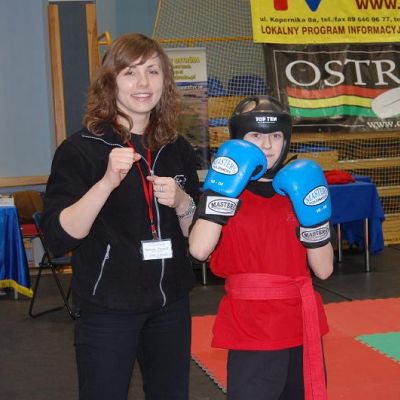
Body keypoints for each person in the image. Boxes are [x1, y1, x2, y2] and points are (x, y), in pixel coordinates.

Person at [41, 33, 200, 400]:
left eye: (153, 71)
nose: (143, 83)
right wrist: (105, 184)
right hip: (108, 307)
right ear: (110, 82)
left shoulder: (177, 148)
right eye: (130, 72)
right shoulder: (81, 149)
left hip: (170, 303)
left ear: (165, 81)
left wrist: (182, 203)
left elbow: (196, 239)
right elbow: (58, 237)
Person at [189, 95, 334, 400]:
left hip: (300, 323)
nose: (267, 145)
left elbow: (323, 270)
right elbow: (199, 250)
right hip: (252, 327)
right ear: (239, 139)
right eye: (256, 135)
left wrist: (314, 218)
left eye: (275, 136)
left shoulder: (301, 188)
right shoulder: (225, 189)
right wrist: (221, 194)